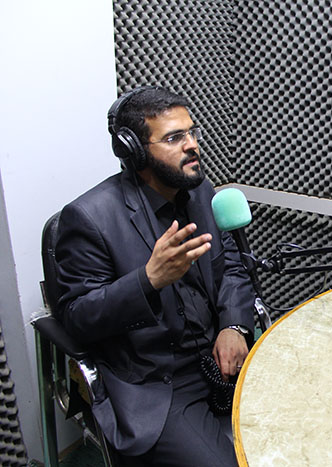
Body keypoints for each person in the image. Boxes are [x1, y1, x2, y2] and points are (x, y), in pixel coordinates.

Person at [55, 86, 255, 465]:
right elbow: (78, 318)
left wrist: (234, 326)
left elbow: (231, 265)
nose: (192, 145)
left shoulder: (201, 192)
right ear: (134, 151)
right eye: (174, 138)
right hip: (161, 382)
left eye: (192, 132)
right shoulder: (89, 218)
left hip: (220, 356)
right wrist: (147, 280)